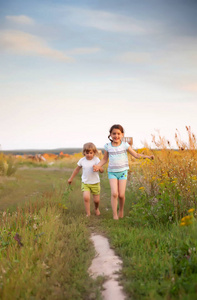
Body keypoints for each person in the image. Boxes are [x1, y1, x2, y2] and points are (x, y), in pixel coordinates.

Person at [93, 124, 154, 220]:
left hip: (123, 172)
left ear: (122, 135)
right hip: (112, 172)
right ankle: (115, 215)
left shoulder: (125, 145)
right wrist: (98, 166)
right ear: (110, 135)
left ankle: (121, 210)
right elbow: (104, 159)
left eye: (118, 133)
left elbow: (136, 155)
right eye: (114, 134)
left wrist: (148, 157)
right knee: (114, 193)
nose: (116, 136)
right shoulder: (108, 146)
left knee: (121, 194)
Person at [68, 142, 104, 217]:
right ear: (84, 152)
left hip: (95, 183)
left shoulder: (96, 160)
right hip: (85, 182)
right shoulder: (82, 161)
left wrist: (98, 168)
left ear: (94, 153)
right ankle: (88, 213)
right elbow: (76, 170)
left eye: (91, 153)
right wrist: (71, 178)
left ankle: (96, 208)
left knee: (96, 200)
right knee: (86, 197)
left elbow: (102, 170)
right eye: (87, 152)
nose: (89, 154)